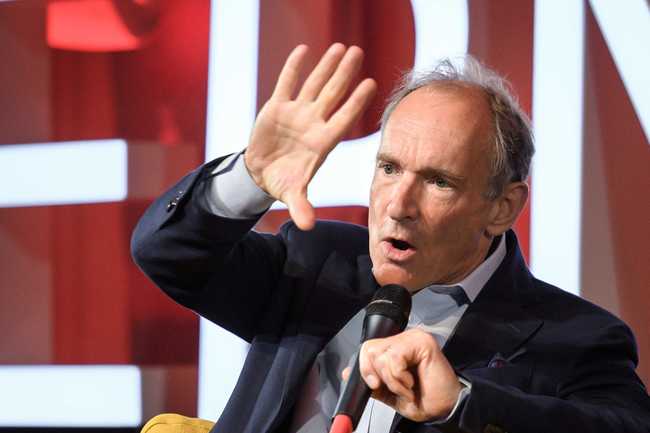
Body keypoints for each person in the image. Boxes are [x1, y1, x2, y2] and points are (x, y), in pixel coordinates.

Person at [131, 44, 650, 433]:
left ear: (503, 207)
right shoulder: (315, 264)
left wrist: (463, 403)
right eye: (389, 168)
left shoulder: (575, 337)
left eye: (439, 181)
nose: (398, 206)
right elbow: (169, 254)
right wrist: (249, 174)